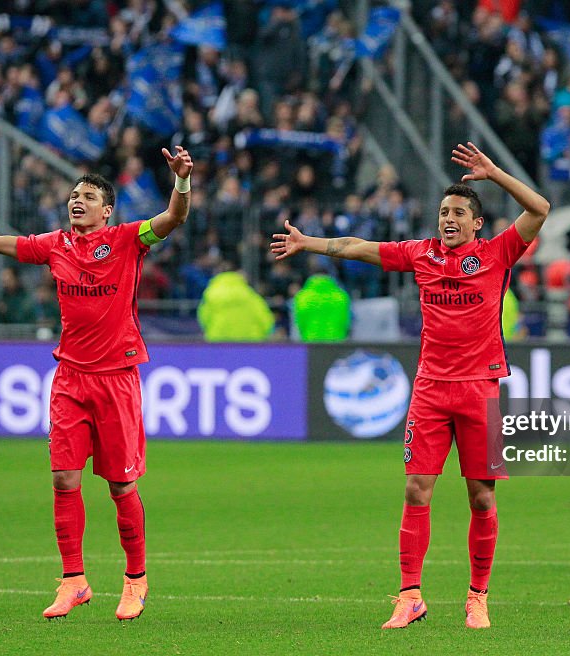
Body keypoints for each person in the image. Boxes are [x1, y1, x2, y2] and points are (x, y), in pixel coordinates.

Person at [0, 146, 194, 622]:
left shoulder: (127, 239)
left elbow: (174, 218)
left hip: (116, 378)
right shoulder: (54, 244)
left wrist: (180, 181)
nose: (78, 200)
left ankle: (135, 579)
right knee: (62, 478)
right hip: (70, 378)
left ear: (107, 209)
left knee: (120, 486)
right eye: (74, 194)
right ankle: (73, 580)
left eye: (89, 195)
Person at [271, 142, 550, 629]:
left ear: (476, 222)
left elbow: (540, 208)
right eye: (443, 211)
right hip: (430, 390)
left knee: (482, 497)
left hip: (480, 389)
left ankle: (477, 597)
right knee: (416, 491)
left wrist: (493, 172)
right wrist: (309, 243)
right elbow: (357, 248)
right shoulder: (420, 255)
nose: (448, 218)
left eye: (459, 211)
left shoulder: (498, 253)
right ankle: (409, 595)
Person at [197, 269, 274, 342]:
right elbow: (264, 317)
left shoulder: (211, 294)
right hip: (250, 339)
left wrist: (209, 330)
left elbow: (204, 316)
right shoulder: (250, 294)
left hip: (218, 338)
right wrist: (266, 334)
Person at [292, 273, 350, 342]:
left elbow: (299, 321)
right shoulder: (341, 296)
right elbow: (346, 320)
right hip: (336, 339)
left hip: (310, 339)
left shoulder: (301, 296)